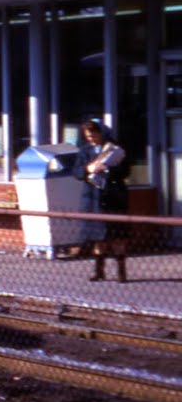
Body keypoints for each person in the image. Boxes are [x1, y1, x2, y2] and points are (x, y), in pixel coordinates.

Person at [74, 119, 131, 282]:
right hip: (93, 198)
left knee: (118, 236)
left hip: (113, 198)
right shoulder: (84, 151)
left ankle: (121, 272)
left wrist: (108, 168)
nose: (91, 139)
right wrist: (87, 169)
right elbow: (76, 172)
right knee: (98, 237)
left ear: (102, 133)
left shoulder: (115, 149)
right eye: (88, 137)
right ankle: (99, 271)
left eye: (94, 136)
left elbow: (126, 171)